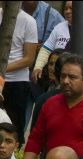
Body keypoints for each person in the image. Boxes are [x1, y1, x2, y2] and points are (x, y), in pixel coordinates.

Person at [1, 5, 37, 145]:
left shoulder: (29, 21)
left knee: (14, 127)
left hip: (17, 83)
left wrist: (3, 69)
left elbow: (29, 59)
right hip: (1, 80)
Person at [31, 0, 71, 84]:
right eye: (66, 9)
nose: (68, 11)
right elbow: (46, 49)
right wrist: (38, 67)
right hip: (55, 77)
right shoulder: (59, 27)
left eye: (71, 8)